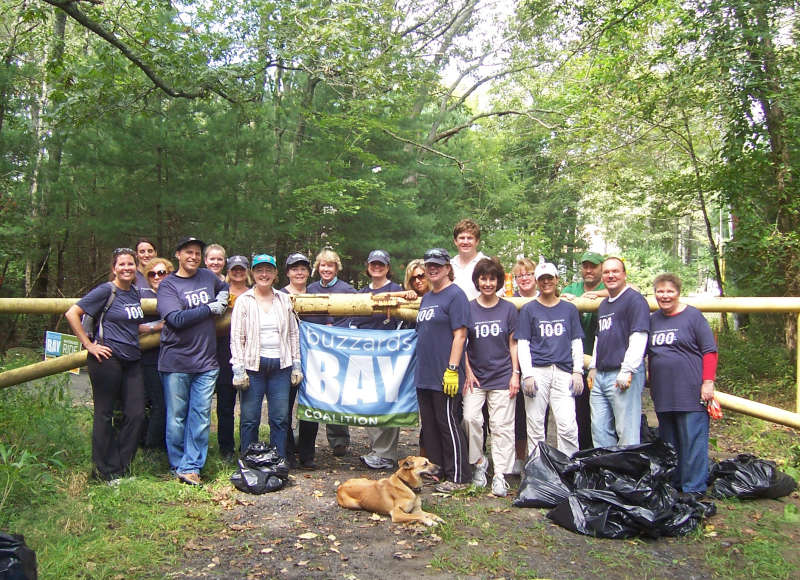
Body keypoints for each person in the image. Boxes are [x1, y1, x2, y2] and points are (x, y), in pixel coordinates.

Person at [65, 248, 153, 483]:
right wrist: (89, 345)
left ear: (136, 268)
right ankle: (102, 471)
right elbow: (72, 313)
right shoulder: (107, 290)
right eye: (122, 264)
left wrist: (161, 326)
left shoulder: (134, 292)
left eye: (131, 264)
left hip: (132, 360)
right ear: (114, 268)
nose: (127, 268)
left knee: (135, 414)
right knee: (104, 415)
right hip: (106, 359)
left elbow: (134, 325)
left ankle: (120, 469)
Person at [158, 237, 229, 486]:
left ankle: (192, 466)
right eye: (189, 252)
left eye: (197, 253)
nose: (194, 257)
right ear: (178, 255)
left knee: (200, 417)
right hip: (176, 361)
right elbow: (175, 319)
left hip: (206, 362)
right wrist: (210, 309)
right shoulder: (168, 285)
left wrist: (223, 298)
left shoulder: (208, 277)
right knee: (177, 417)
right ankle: (177, 464)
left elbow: (223, 288)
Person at [648, 273, 717, 497]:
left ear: (678, 292)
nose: (665, 296)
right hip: (663, 394)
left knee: (693, 444)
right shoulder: (653, 320)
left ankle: (694, 489)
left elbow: (709, 351)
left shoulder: (692, 317)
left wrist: (708, 382)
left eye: (670, 291)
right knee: (670, 444)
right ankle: (675, 485)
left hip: (690, 393)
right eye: (660, 291)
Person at [230, 254, 302, 458]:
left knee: (279, 418)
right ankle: (248, 461)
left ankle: (278, 461)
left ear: (275, 274)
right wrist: (238, 368)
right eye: (259, 270)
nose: (264, 274)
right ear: (252, 273)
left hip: (281, 367)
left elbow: (293, 334)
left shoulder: (284, 299)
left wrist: (296, 364)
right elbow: (237, 337)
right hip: (253, 368)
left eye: (268, 270)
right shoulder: (244, 301)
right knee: (249, 418)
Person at [415, 248, 471, 492]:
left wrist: (453, 369)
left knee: (448, 423)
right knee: (430, 425)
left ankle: (459, 476)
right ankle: (438, 472)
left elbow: (460, 335)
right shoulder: (427, 297)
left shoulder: (455, 296)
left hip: (445, 374)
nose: (432, 268)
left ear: (448, 268)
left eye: (438, 264)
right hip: (424, 374)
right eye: (429, 265)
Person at [463, 257, 519, 496]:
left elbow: (513, 343)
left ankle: (500, 475)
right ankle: (479, 463)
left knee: (502, 426)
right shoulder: (468, 307)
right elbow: (461, 342)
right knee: (470, 419)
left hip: (503, 376)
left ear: (498, 281)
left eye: (492, 278)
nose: (487, 283)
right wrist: (467, 371)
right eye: (483, 278)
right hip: (475, 377)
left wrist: (516, 373)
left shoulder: (508, 309)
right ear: (477, 280)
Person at [516, 262, 584, 457]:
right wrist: (527, 374)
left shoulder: (569, 309)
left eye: (550, 278)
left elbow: (576, 341)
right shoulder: (529, 309)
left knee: (568, 424)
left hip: (563, 371)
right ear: (537, 282)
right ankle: (539, 469)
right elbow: (523, 343)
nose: (546, 282)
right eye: (542, 279)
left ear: (556, 280)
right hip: (538, 370)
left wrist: (578, 371)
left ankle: (569, 467)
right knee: (535, 425)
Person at [588, 257, 650, 448]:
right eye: (606, 272)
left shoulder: (634, 300)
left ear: (624, 275)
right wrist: (592, 366)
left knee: (626, 431)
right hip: (601, 374)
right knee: (599, 430)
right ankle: (609, 474)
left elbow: (639, 336)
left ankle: (628, 476)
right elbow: (600, 338)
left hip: (623, 375)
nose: (610, 275)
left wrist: (627, 369)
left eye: (615, 271)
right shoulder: (605, 304)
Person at [355, 250, 405, 470]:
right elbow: (354, 323)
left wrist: (407, 296)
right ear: (367, 266)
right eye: (373, 264)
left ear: (387, 267)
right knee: (371, 402)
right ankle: (378, 450)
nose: (377, 267)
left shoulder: (397, 290)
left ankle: (387, 453)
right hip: (366, 355)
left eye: (381, 264)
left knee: (389, 401)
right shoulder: (362, 293)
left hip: (391, 355)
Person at [306, 248, 356, 456]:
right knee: (311, 392)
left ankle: (339, 439)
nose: (326, 269)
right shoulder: (310, 289)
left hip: (339, 348)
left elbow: (357, 318)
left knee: (336, 392)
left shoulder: (348, 290)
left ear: (337, 268)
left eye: (330, 265)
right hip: (315, 349)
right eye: (323, 265)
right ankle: (305, 437)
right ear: (318, 268)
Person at [561, 251, 609, 450]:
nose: (588, 270)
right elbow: (557, 297)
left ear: (601, 268)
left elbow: (632, 288)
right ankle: (582, 455)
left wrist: (597, 295)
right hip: (577, 362)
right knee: (579, 412)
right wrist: (569, 298)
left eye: (593, 266)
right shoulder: (573, 287)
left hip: (604, 360)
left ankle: (603, 456)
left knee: (602, 416)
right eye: (585, 266)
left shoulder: (608, 286)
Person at [280, 252, 319, 469]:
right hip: (286, 359)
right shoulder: (279, 295)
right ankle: (286, 452)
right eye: (295, 268)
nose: (299, 272)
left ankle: (307, 454)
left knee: (309, 408)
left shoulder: (316, 294)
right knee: (283, 408)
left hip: (313, 359)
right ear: (287, 272)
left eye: (303, 268)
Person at [215, 255, 251, 460]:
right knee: (225, 404)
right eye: (234, 269)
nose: (238, 273)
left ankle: (248, 446)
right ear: (228, 271)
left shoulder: (254, 293)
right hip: (223, 351)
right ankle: (226, 448)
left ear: (247, 271)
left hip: (249, 351)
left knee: (249, 405)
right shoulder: (220, 293)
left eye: (242, 269)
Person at [139, 257, 173, 450]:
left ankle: (160, 445)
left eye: (162, 273)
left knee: (168, 404)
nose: (157, 277)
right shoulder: (140, 295)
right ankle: (150, 448)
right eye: (152, 273)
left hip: (171, 356)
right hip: (148, 358)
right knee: (157, 403)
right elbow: (133, 325)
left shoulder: (174, 294)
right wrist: (157, 326)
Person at [509, 256, 537, 472]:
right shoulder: (509, 301)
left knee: (538, 415)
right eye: (520, 276)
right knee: (517, 414)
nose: (524, 278)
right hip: (514, 364)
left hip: (540, 362)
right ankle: (519, 458)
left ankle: (539, 459)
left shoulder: (546, 297)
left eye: (528, 274)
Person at [450, 219, 487, 300]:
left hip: (481, 312)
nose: (465, 242)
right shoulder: (448, 266)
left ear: (477, 241)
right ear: (455, 241)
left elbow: (499, 292)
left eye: (470, 238)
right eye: (462, 238)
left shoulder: (487, 264)